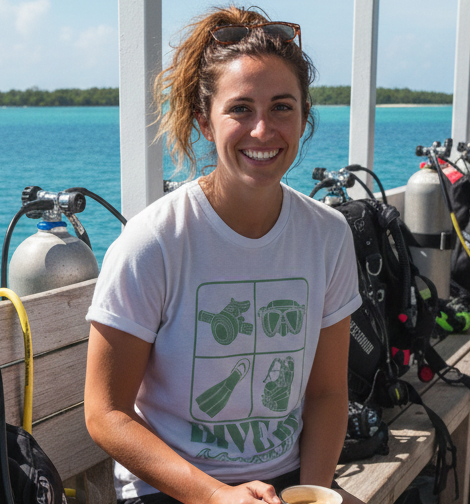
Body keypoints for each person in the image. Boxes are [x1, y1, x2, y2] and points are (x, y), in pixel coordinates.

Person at [83, 6, 365, 504]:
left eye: (282, 107)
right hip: (173, 487)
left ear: (304, 118)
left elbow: (326, 394)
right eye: (240, 109)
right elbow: (105, 413)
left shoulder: (328, 234)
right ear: (205, 122)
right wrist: (215, 495)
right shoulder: (155, 241)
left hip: (288, 480)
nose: (262, 130)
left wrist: (314, 492)